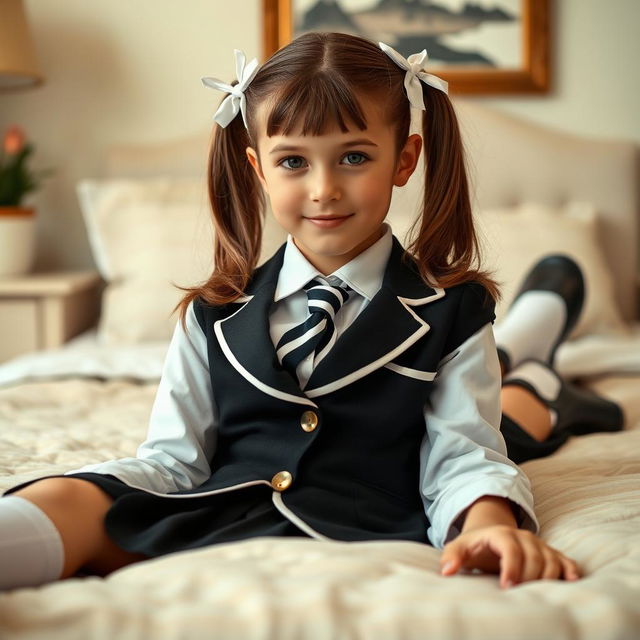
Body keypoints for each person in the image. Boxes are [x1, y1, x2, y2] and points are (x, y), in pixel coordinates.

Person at [0, 32, 624, 593]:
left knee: (516, 418)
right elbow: (171, 462)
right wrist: (80, 492)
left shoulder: (454, 312)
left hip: (378, 511)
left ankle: (533, 348)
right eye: (294, 161)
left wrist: (487, 521)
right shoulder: (212, 315)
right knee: (69, 496)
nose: (323, 188)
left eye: (354, 157)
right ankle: (529, 351)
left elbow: (464, 456)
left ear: (403, 161)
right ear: (259, 169)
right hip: (233, 511)